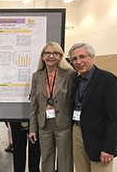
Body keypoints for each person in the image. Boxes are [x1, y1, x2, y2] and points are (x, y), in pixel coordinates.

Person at [69, 43, 117, 172]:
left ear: (92, 57)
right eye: (74, 59)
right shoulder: (76, 81)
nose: (78, 62)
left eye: (82, 57)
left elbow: (115, 116)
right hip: (78, 133)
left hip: (99, 138)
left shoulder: (108, 80)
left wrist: (109, 147)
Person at [29, 42, 76, 172]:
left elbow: (74, 100)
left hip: (64, 125)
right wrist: (33, 129)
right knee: (46, 160)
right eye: (47, 53)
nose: (51, 56)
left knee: (65, 160)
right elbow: (34, 105)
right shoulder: (36, 76)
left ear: (60, 57)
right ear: (43, 56)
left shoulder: (70, 74)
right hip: (44, 125)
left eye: (55, 53)